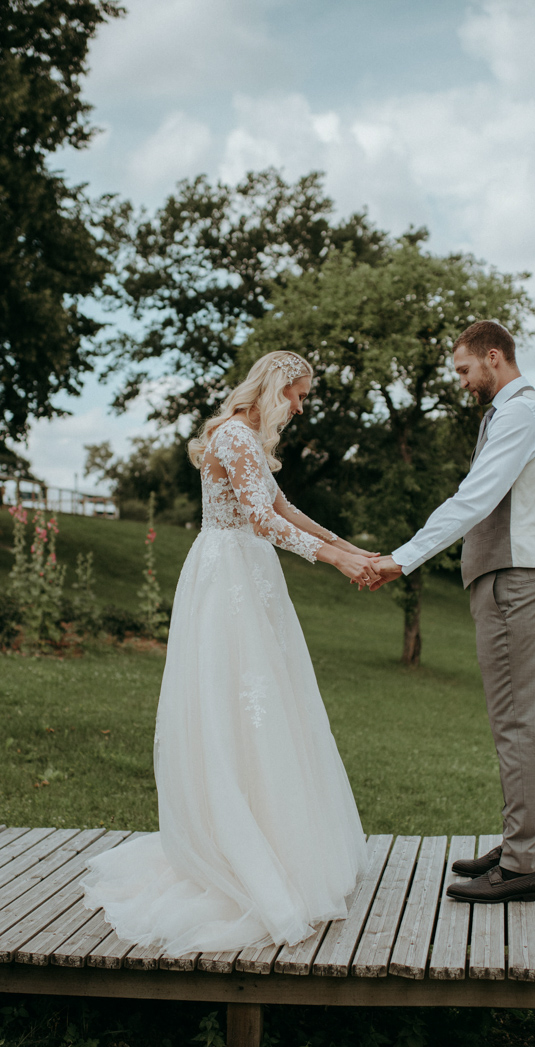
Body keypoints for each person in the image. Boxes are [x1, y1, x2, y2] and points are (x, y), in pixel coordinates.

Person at [81, 351, 380, 953]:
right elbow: (261, 522)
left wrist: (352, 549)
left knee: (270, 704)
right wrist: (337, 561)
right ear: (272, 388)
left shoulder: (243, 439)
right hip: (231, 580)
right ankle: (241, 850)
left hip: (249, 577)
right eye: (296, 395)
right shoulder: (236, 436)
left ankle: (275, 835)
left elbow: (284, 509)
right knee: (239, 705)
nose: (299, 407)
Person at [369, 320, 535, 905]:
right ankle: (517, 842)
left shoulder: (520, 414)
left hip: (513, 586)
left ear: (494, 357)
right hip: (508, 581)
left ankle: (524, 861)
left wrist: (402, 559)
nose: (460, 381)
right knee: (512, 722)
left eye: (463, 369)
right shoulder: (514, 414)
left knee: (515, 725)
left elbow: (475, 498)